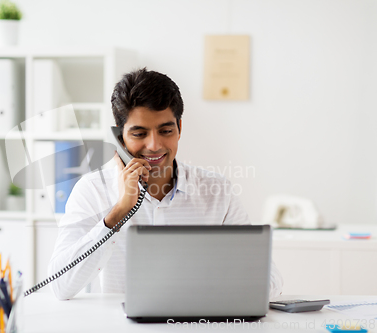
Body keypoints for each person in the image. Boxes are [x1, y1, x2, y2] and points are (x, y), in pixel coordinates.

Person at [48, 68, 283, 300]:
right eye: (139, 133)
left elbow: (270, 282)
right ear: (120, 138)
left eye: (166, 130)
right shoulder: (92, 190)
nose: (154, 145)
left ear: (179, 129)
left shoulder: (217, 191)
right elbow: (60, 286)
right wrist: (118, 213)